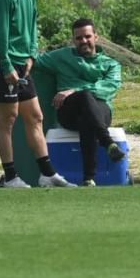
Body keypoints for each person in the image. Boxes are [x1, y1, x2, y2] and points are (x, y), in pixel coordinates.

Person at [0, 0, 74, 188]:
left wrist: (32, 55)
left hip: (24, 62)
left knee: (36, 117)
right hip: (9, 65)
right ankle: (11, 176)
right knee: (8, 119)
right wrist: (6, 67)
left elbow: (33, 23)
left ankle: (47, 174)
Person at [35, 18, 127, 186]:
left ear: (96, 37)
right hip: (68, 111)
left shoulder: (110, 64)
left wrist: (75, 90)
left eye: (87, 36)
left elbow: (110, 86)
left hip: (100, 111)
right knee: (84, 99)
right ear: (73, 40)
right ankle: (108, 143)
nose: (83, 41)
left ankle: (88, 178)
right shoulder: (61, 56)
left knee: (87, 117)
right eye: (78, 38)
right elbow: (35, 60)